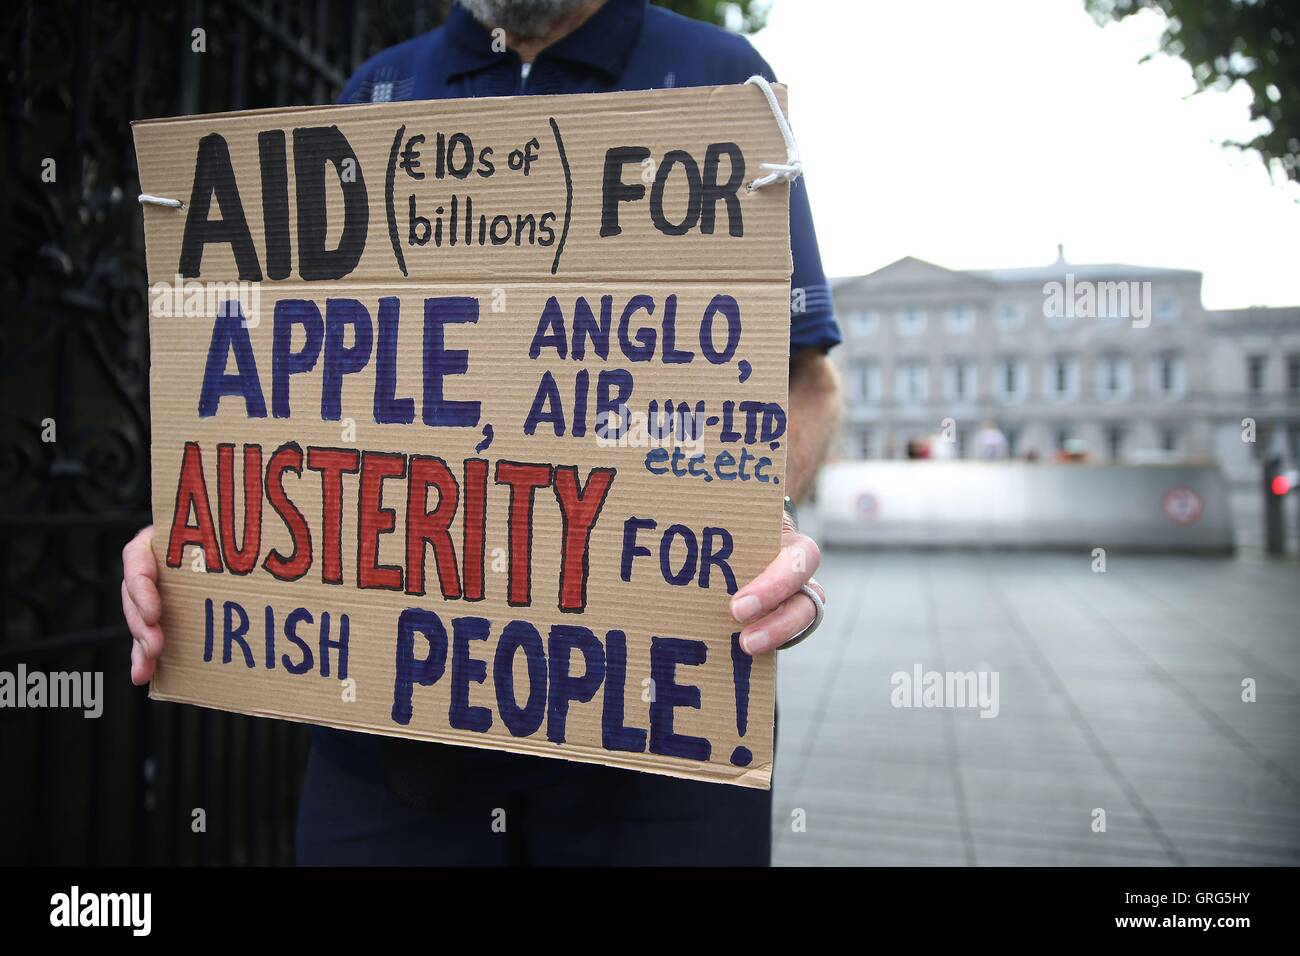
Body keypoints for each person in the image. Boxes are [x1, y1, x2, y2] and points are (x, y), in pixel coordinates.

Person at [121, 0, 843, 866]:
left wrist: (757, 522)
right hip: (388, 766)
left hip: (657, 756)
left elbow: (805, 381)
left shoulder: (726, 79)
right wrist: (206, 532)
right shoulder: (373, 94)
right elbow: (286, 397)